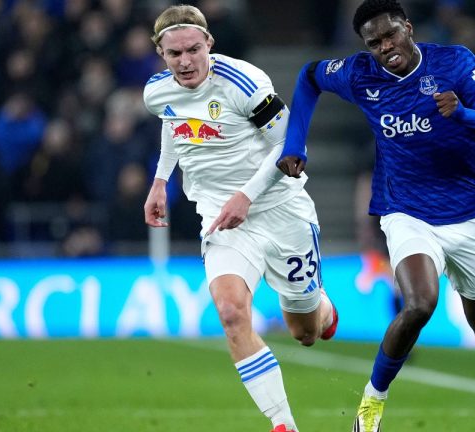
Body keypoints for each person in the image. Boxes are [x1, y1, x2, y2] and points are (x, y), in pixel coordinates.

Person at [277, 1, 475, 431]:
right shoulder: (359, 73)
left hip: (467, 215)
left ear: (407, 28)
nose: (385, 47)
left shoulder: (455, 63)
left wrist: (464, 113)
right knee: (420, 303)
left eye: (391, 35)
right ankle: (370, 408)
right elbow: (309, 77)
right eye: (374, 42)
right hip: (405, 211)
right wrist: (294, 144)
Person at [141, 6, 338, 432]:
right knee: (231, 313)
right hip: (219, 215)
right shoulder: (156, 91)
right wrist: (160, 180)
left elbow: (289, 140)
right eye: (174, 54)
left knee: (305, 331)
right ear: (160, 52)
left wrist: (246, 196)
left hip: (279, 209)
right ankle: (283, 423)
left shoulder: (243, 83)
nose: (186, 61)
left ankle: (321, 307)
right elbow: (172, 123)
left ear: (209, 43)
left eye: (194, 49)